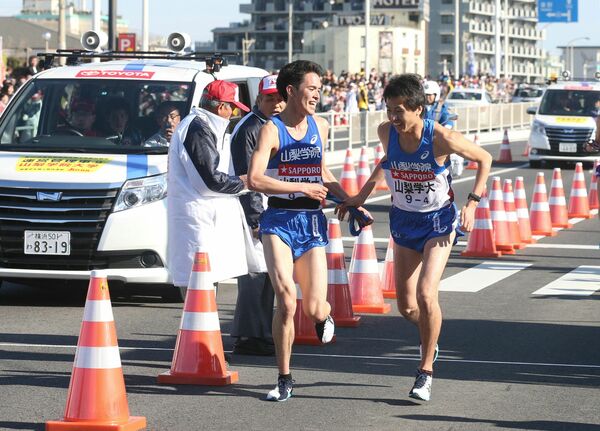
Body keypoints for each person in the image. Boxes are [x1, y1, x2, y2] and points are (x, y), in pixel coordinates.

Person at [337, 73, 492, 402]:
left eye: (399, 111)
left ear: (418, 108)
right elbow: (386, 162)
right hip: (404, 220)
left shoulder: (440, 137)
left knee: (425, 293)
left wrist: (472, 203)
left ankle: (425, 370)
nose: (393, 117)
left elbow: (485, 158)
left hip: (438, 222)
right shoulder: (386, 132)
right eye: (389, 110)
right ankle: (430, 334)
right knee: (407, 307)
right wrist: (360, 196)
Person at [248, 60, 357, 402]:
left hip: (311, 222)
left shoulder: (320, 126)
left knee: (313, 309)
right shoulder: (271, 129)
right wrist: (300, 186)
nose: (317, 95)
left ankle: (324, 315)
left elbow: (322, 171)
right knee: (285, 299)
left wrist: (351, 201)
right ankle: (284, 377)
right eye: (312, 89)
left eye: (320, 89)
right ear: (291, 91)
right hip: (278, 221)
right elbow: (255, 179)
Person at [167, 79, 261, 295]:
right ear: (221, 107)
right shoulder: (197, 129)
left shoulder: (200, 125)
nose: (234, 114)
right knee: (199, 286)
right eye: (233, 108)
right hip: (197, 217)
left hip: (201, 215)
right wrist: (243, 182)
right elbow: (209, 180)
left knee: (203, 283)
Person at [230, 74, 286, 356]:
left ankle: (261, 332)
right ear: (258, 99)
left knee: (266, 273)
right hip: (251, 209)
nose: (276, 104)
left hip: (264, 207)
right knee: (255, 274)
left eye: (280, 99)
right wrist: (255, 218)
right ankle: (250, 335)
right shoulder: (251, 127)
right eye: (270, 99)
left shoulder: (269, 125)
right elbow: (247, 178)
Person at [423, 80, 463, 177]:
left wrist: (445, 129)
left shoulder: (441, 107)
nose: (427, 97)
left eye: (430, 95)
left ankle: (452, 166)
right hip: (421, 139)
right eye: (425, 95)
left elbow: (448, 119)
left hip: (437, 139)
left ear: (436, 95)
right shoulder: (418, 107)